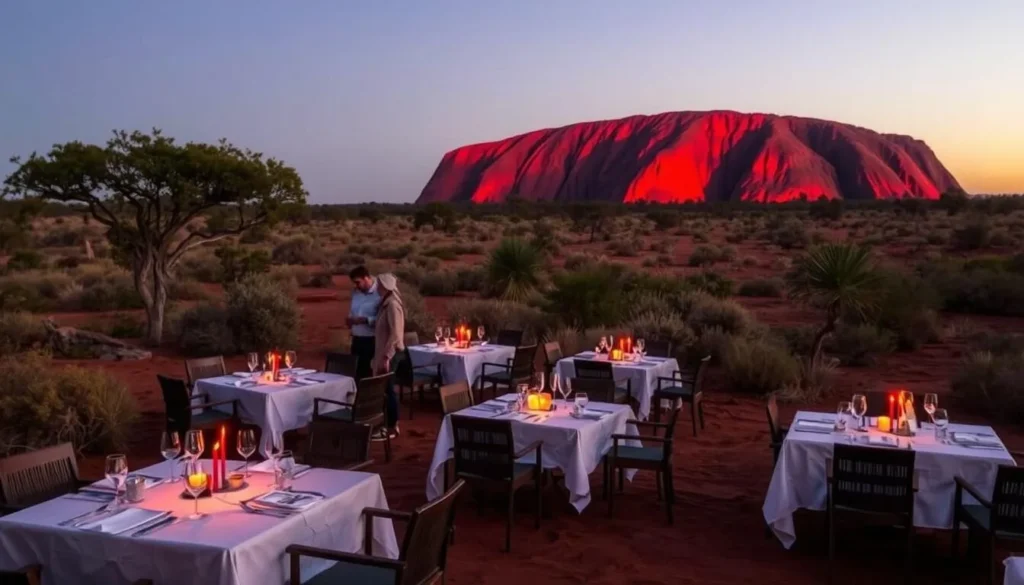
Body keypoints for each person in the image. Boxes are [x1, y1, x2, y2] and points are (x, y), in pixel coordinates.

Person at [372, 272, 405, 439]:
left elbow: (396, 335)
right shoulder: (386, 303)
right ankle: (387, 425)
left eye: (379, 285)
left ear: (385, 286)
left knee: (387, 389)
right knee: (385, 389)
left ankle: (391, 426)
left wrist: (386, 357)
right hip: (385, 353)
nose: (377, 287)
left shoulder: (392, 305)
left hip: (390, 355)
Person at [347, 266, 379, 381]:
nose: (356, 286)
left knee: (369, 375)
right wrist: (350, 320)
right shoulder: (356, 293)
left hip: (372, 341)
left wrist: (366, 320)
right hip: (356, 340)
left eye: (358, 282)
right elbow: (353, 311)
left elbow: (385, 319)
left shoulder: (380, 293)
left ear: (367, 278)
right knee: (356, 374)